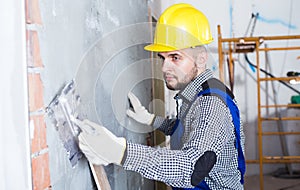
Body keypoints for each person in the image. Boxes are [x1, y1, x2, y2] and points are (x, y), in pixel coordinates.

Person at [75, 3, 245, 190]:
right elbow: (186, 128)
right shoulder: (198, 93)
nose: (164, 68)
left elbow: (191, 168)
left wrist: (121, 152)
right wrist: (151, 119)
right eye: (163, 58)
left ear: (201, 58)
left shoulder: (211, 104)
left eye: (175, 57)